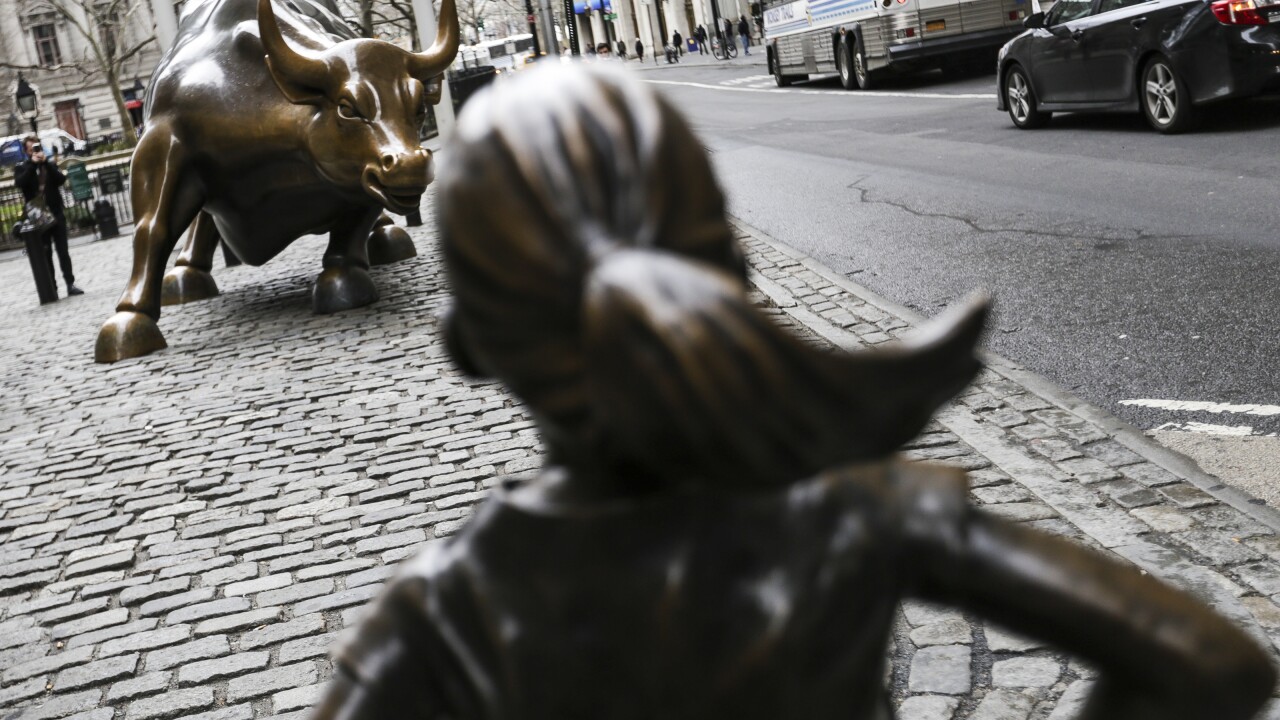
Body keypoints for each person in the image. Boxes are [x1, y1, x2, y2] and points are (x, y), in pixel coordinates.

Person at [310, 64, 1277, 720]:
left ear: (469, 345)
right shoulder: (861, 516)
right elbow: (1212, 665)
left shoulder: (441, 618)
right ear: (731, 269)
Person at [15, 136, 82, 297]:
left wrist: (45, 163)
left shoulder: (49, 165)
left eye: (37, 148)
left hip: (56, 214)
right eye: (32, 149)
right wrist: (32, 164)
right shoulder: (22, 167)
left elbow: (61, 179)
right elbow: (20, 183)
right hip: (38, 217)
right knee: (46, 253)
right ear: (26, 151)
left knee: (63, 251)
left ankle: (70, 283)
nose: (35, 151)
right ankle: (52, 287)